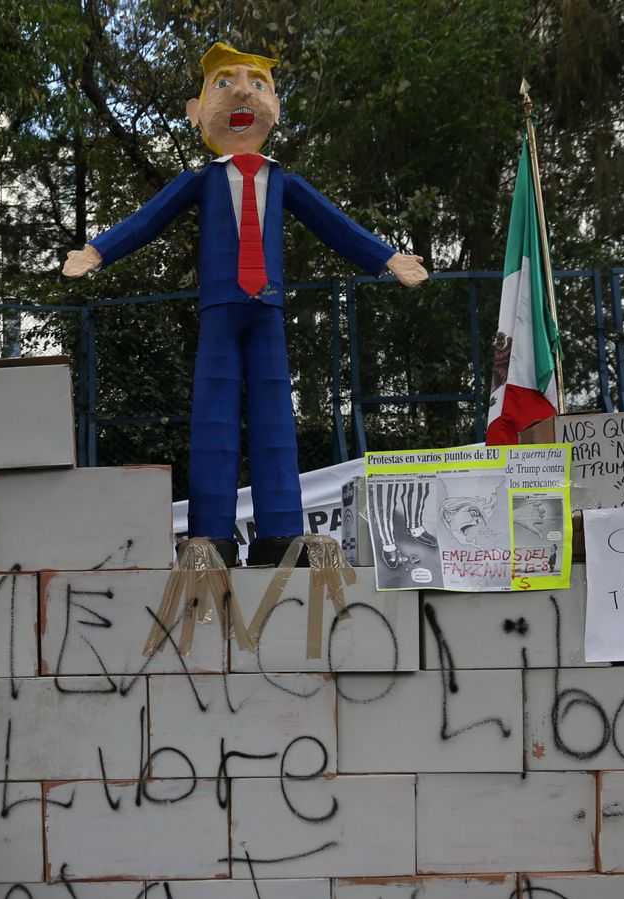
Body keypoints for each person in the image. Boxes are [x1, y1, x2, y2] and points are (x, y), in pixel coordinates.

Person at [63, 41, 428, 568]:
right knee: (212, 421)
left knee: (276, 420)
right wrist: (98, 250)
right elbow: (148, 218)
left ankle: (280, 532)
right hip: (220, 310)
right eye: (224, 83)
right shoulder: (200, 181)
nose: (241, 92)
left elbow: (333, 223)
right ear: (196, 113)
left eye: (256, 84)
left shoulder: (283, 181)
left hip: (267, 311)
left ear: (275, 107)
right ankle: (210, 535)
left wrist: (387, 258)